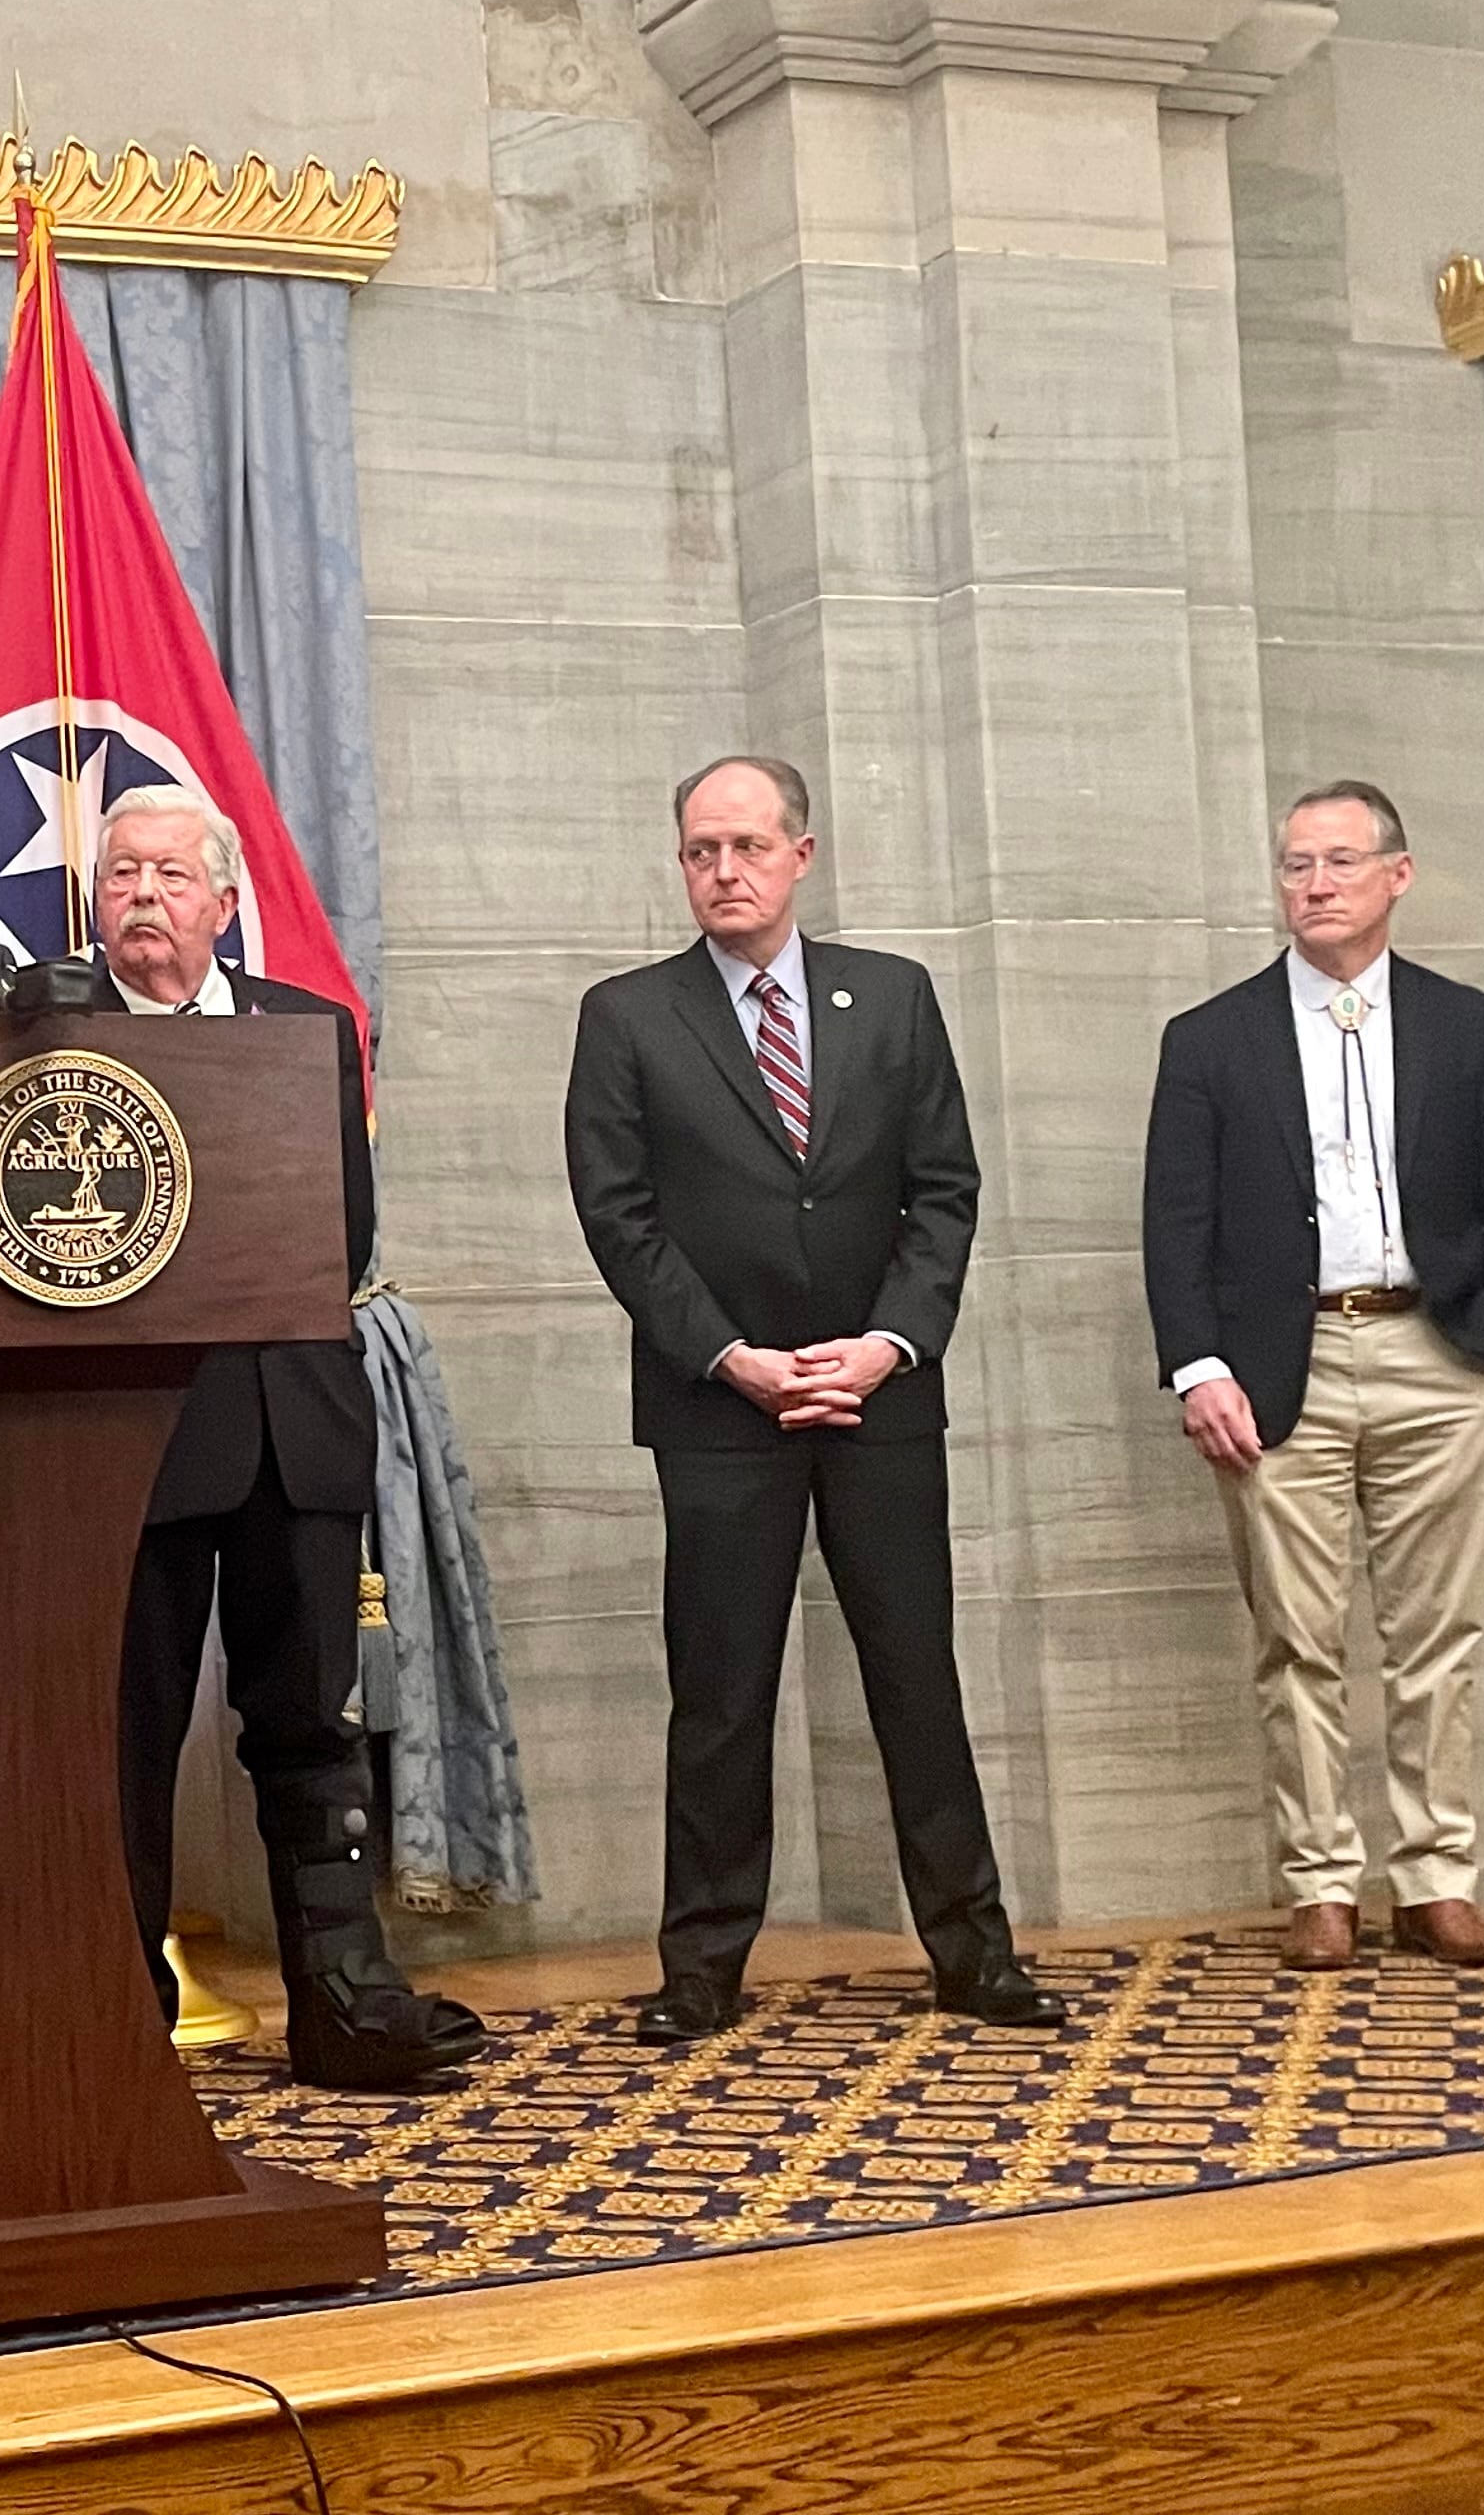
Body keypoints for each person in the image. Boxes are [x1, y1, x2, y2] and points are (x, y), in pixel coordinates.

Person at [562, 755, 1060, 2045]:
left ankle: (974, 1952)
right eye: (698, 852)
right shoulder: (628, 1016)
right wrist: (733, 1359)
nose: (721, 871)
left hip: (880, 1400)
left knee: (917, 1680)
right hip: (719, 1408)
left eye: (744, 847)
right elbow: (620, 1222)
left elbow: (943, 1190)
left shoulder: (892, 998)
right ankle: (702, 1970)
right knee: (721, 1694)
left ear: (801, 854)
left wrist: (889, 1343)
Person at [90, 784, 484, 2089]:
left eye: (169, 874)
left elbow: (346, 1237)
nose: (144, 895)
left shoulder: (311, 1032)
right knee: (118, 1738)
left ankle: (344, 2000)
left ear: (224, 900)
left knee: (314, 1728)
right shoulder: (54, 1039)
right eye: (123, 873)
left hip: (291, 1431)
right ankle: (115, 2017)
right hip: (127, 1444)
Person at [1142, 781, 1484, 1970]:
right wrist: (1197, 1368)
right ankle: (1321, 1883)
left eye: (1337, 862)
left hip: (1445, 1354)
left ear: (1396, 876)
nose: (1314, 884)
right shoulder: (1210, 1040)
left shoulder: (1465, 1025)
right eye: (1294, 866)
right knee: (1298, 1638)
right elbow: (1176, 1226)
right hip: (1281, 1369)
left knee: (1440, 1634)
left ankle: (1437, 1881)